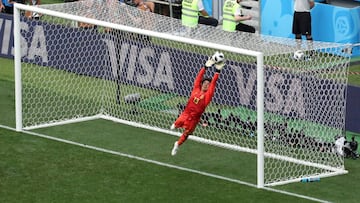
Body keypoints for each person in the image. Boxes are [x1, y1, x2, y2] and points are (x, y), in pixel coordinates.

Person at [170, 52, 225, 156]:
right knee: (174, 126)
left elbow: (213, 84)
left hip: (195, 118)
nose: (206, 85)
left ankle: (177, 144)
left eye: (208, 84)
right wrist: (205, 67)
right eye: (205, 83)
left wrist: (217, 71)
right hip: (185, 114)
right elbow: (198, 78)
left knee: (186, 133)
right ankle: (177, 124)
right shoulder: (196, 89)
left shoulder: (207, 96)